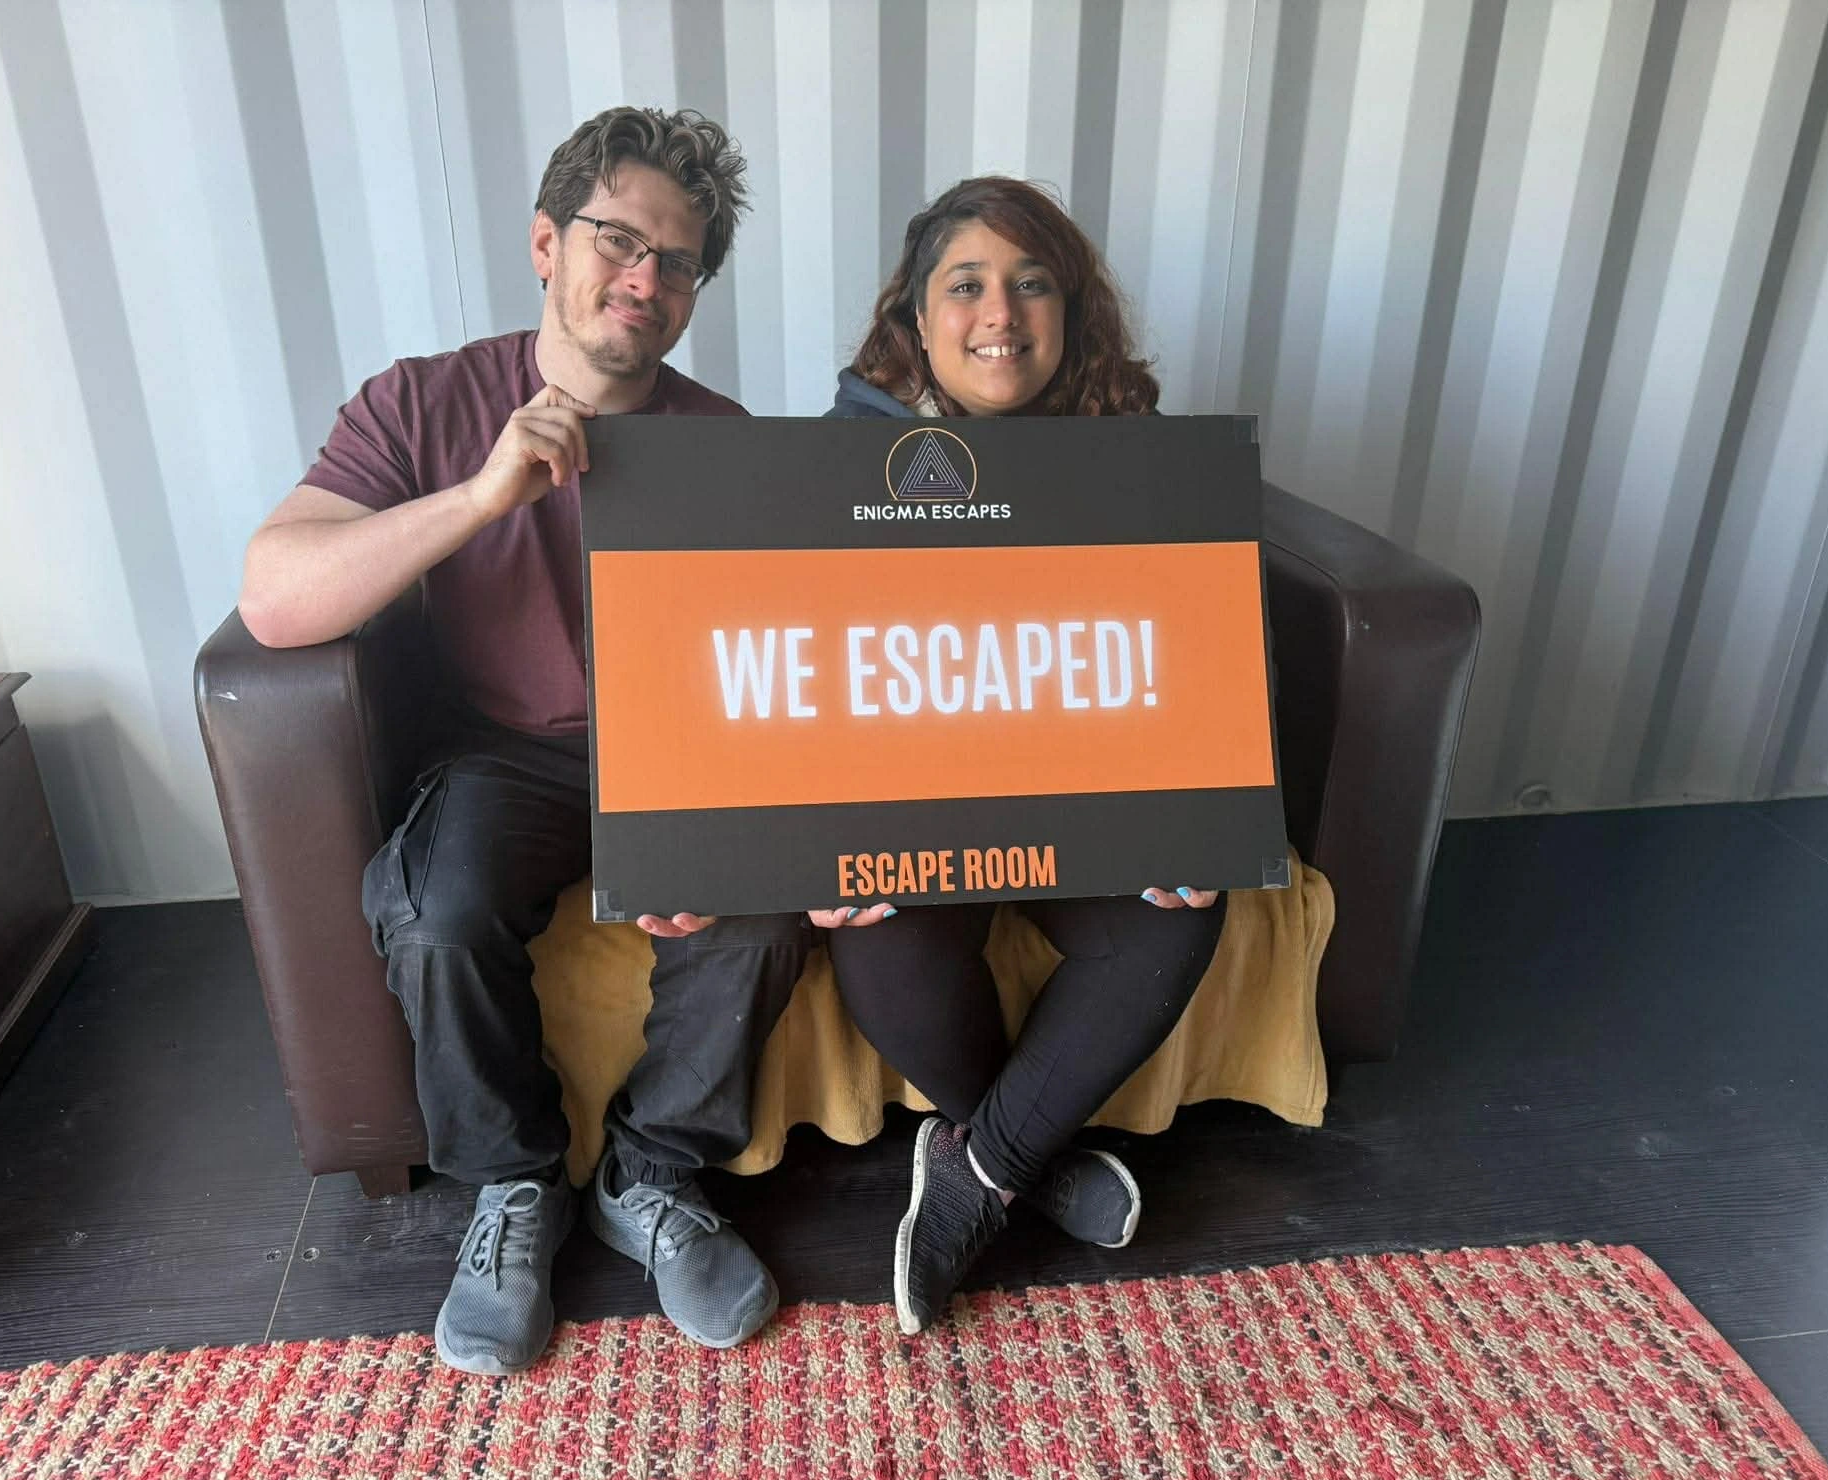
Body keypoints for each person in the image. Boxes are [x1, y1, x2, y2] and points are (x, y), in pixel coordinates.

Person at [239, 107, 806, 1374]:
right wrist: (481, 494)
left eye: (678, 263)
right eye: (618, 241)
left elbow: (770, 670)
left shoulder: (724, 440)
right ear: (547, 243)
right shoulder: (422, 400)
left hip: (681, 749)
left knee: (760, 917)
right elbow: (274, 598)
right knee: (435, 911)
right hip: (500, 750)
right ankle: (513, 1185)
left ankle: (652, 1176)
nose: (645, 278)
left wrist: (715, 819)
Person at [815, 176, 1227, 1335]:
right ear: (917, 315)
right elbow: (797, 676)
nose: (999, 312)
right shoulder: (836, 463)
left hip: (1081, 811)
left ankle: (979, 1171)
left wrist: (1203, 817)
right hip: (920, 819)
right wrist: (802, 840)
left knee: (1175, 916)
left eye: (1031, 282)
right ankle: (1034, 1163)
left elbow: (1198, 653)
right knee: (875, 928)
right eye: (967, 284)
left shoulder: (1136, 455)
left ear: (1069, 309)